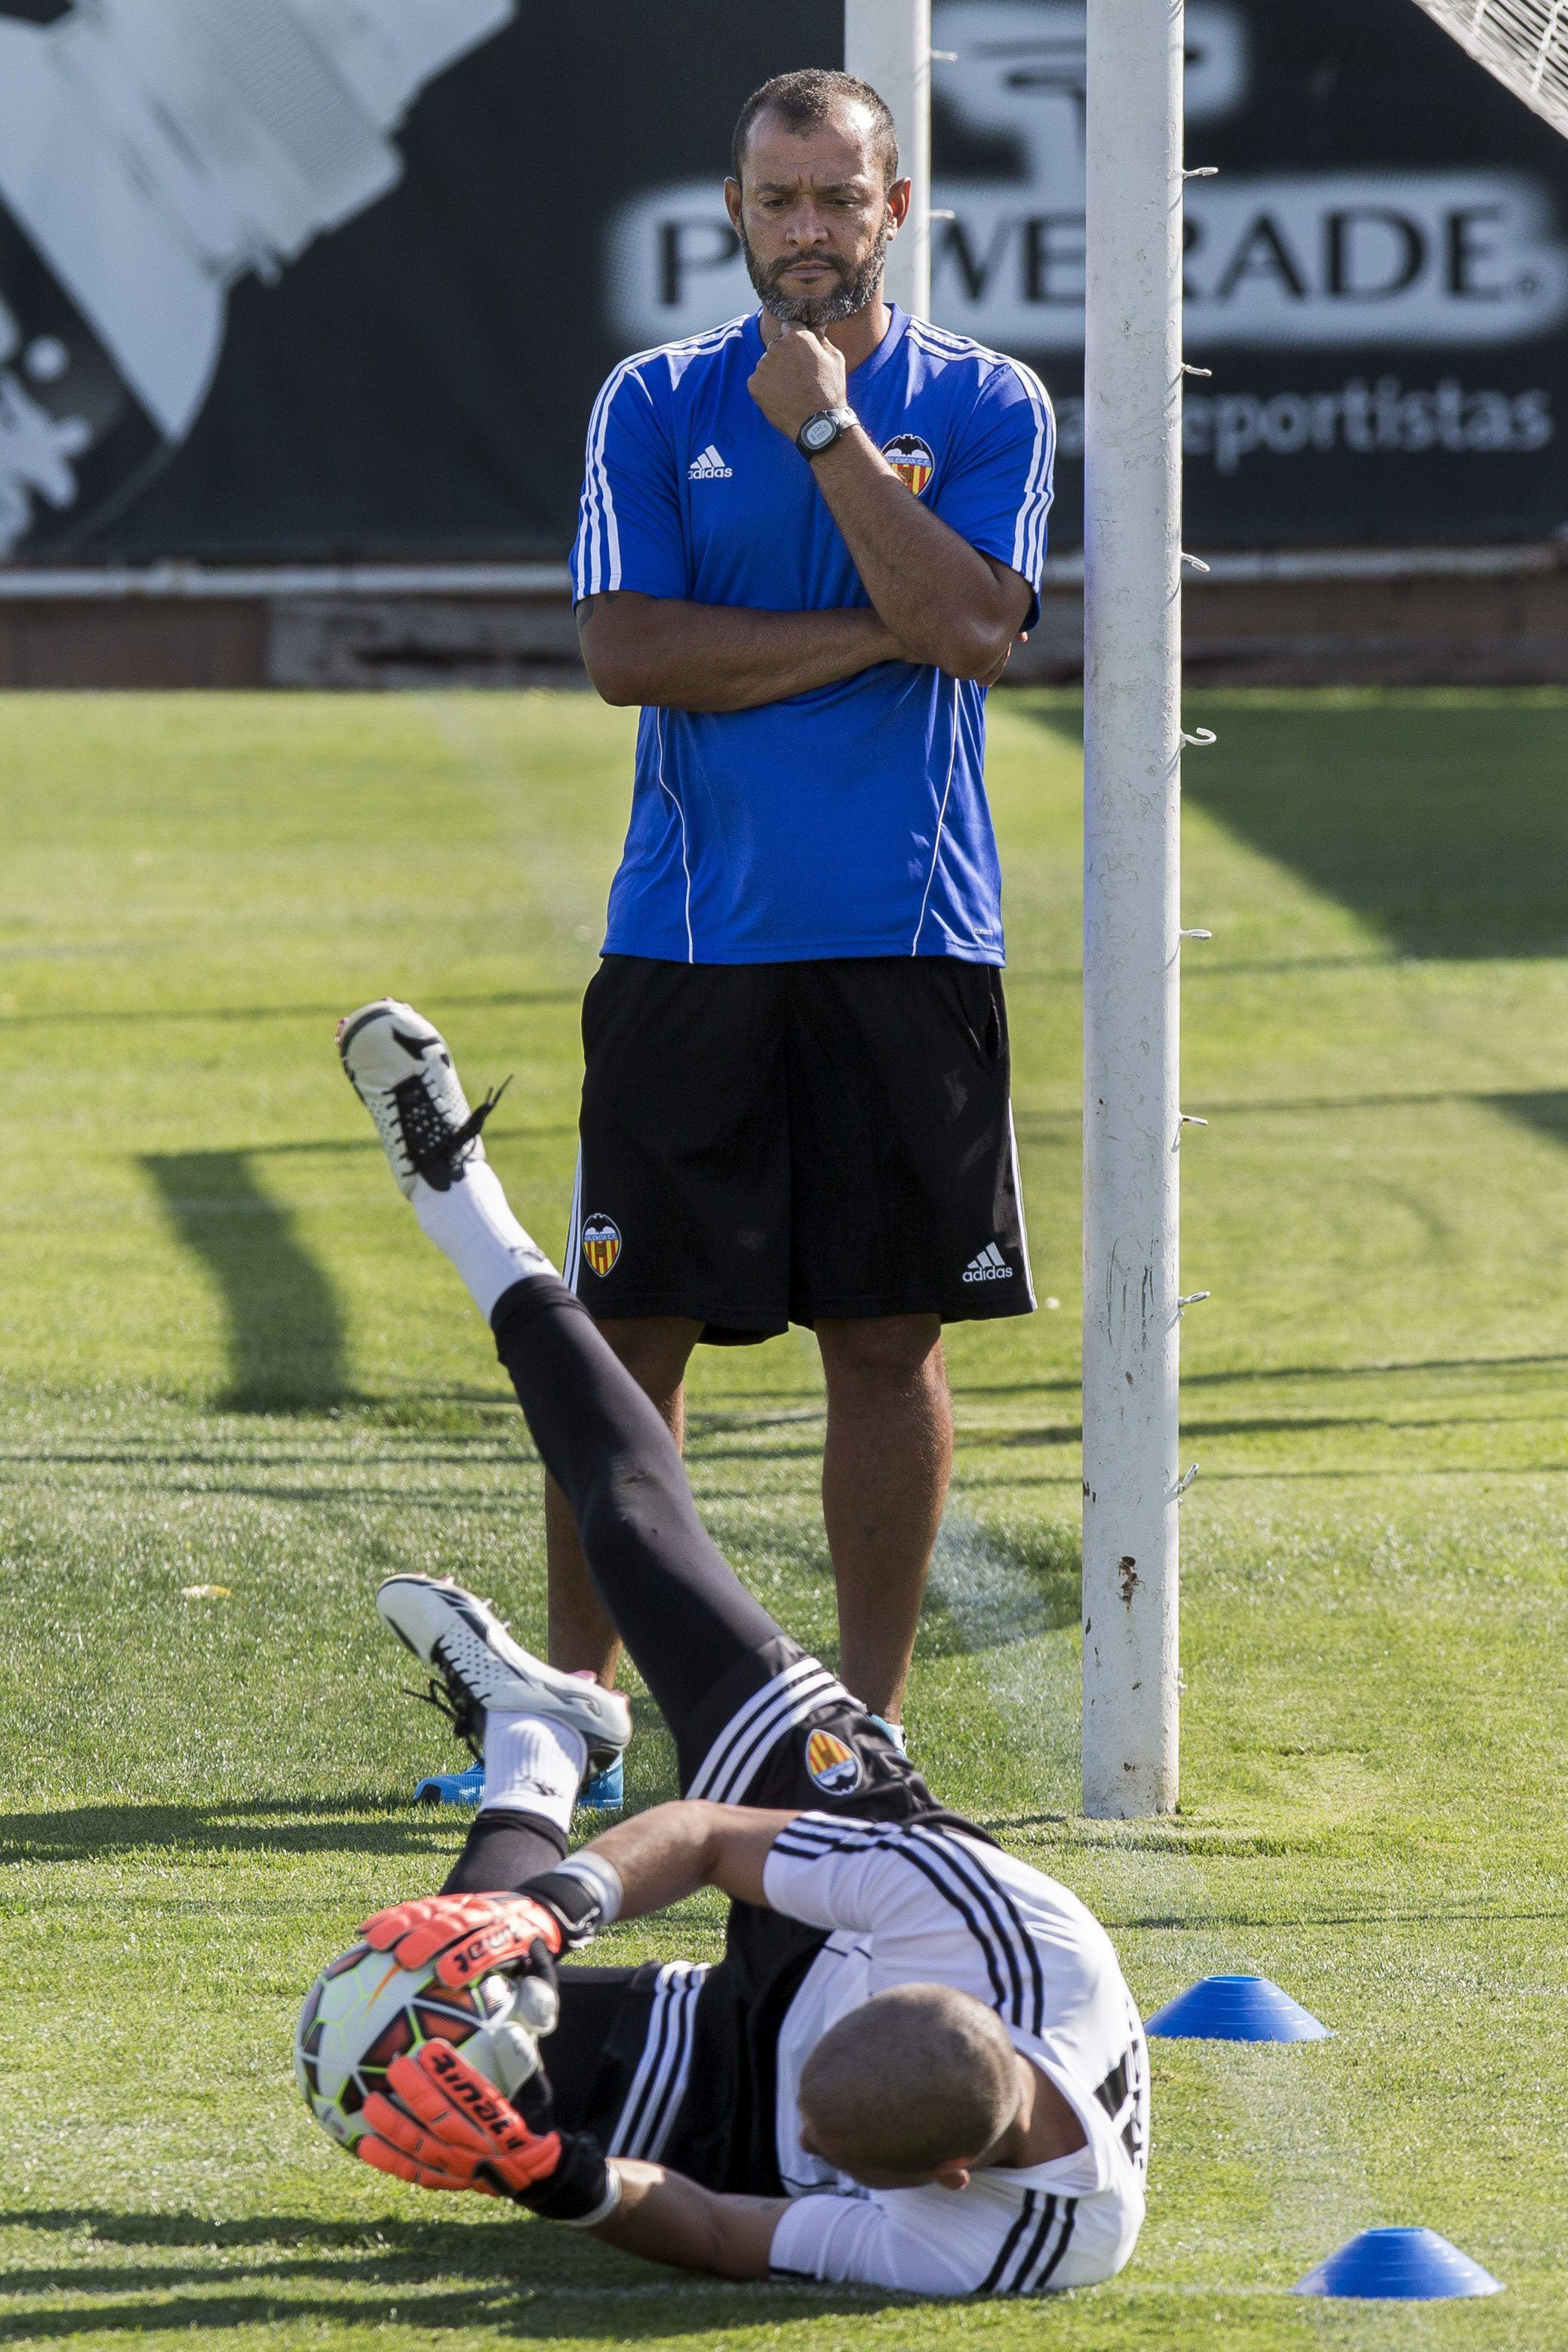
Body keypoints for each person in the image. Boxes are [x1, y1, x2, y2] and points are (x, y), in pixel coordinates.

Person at [331, 999, 1145, 2295]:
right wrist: (548, 1916)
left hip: (731, 2092)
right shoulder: (974, 1918)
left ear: (940, 2180)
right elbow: (713, 1839)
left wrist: (563, 2178)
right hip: (854, 1899)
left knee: (390, 2051)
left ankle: (533, 1751)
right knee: (642, 1538)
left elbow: (723, 2228)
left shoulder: (1010, 2242)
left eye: (834, 2151)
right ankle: (463, 1201)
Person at [554, 66, 1057, 1772]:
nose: (809, 231)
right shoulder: (652, 398)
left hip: (908, 939)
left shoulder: (984, 401)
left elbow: (976, 631)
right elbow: (631, 656)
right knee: (625, 1340)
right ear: (736, 214)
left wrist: (830, 431)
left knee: (885, 1334)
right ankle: (580, 1712)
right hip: (689, 940)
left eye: (841, 199)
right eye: (779, 200)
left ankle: (868, 1722)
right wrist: (875, 628)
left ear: (896, 211)